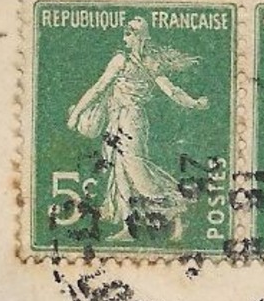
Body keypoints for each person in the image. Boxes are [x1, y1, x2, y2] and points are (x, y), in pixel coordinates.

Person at [67, 18, 208, 242]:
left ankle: (178, 208)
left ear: (143, 36)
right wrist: (76, 113)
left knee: (138, 173)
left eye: (132, 33)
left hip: (132, 121)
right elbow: (98, 88)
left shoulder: (147, 62)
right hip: (117, 120)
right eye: (126, 32)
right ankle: (128, 227)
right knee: (120, 173)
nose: (127, 37)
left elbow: (171, 91)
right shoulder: (121, 60)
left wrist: (194, 103)